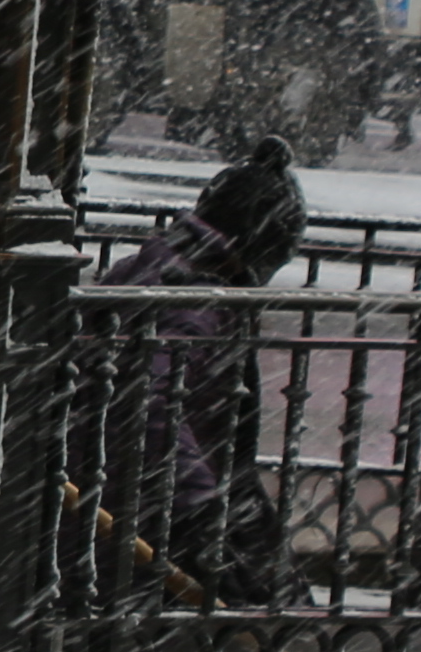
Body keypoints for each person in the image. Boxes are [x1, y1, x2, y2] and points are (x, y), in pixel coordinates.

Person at [81, 142, 304, 606]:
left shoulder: (160, 267)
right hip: (141, 508)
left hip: (129, 493)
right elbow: (151, 409)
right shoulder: (194, 301)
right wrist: (201, 512)